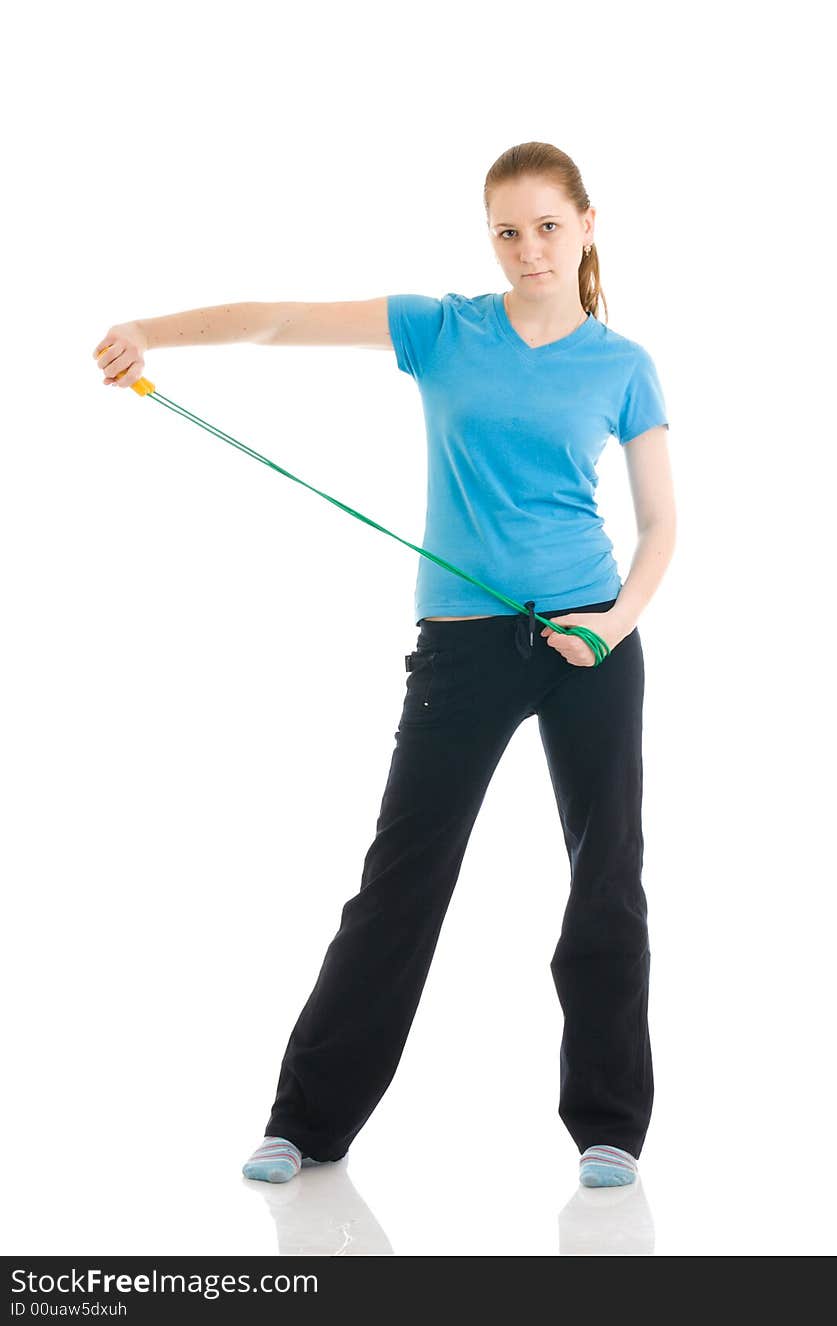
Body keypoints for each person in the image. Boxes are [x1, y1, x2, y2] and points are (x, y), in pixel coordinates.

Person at [92, 140, 675, 1191]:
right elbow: (279, 320)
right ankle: (304, 1123)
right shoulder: (442, 329)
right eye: (507, 230)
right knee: (401, 880)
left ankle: (609, 1127)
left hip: (593, 637)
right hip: (461, 641)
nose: (528, 249)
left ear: (587, 227)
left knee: (607, 876)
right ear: (487, 239)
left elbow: (662, 526)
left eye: (548, 225)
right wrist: (148, 333)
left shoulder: (624, 364)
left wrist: (610, 628)